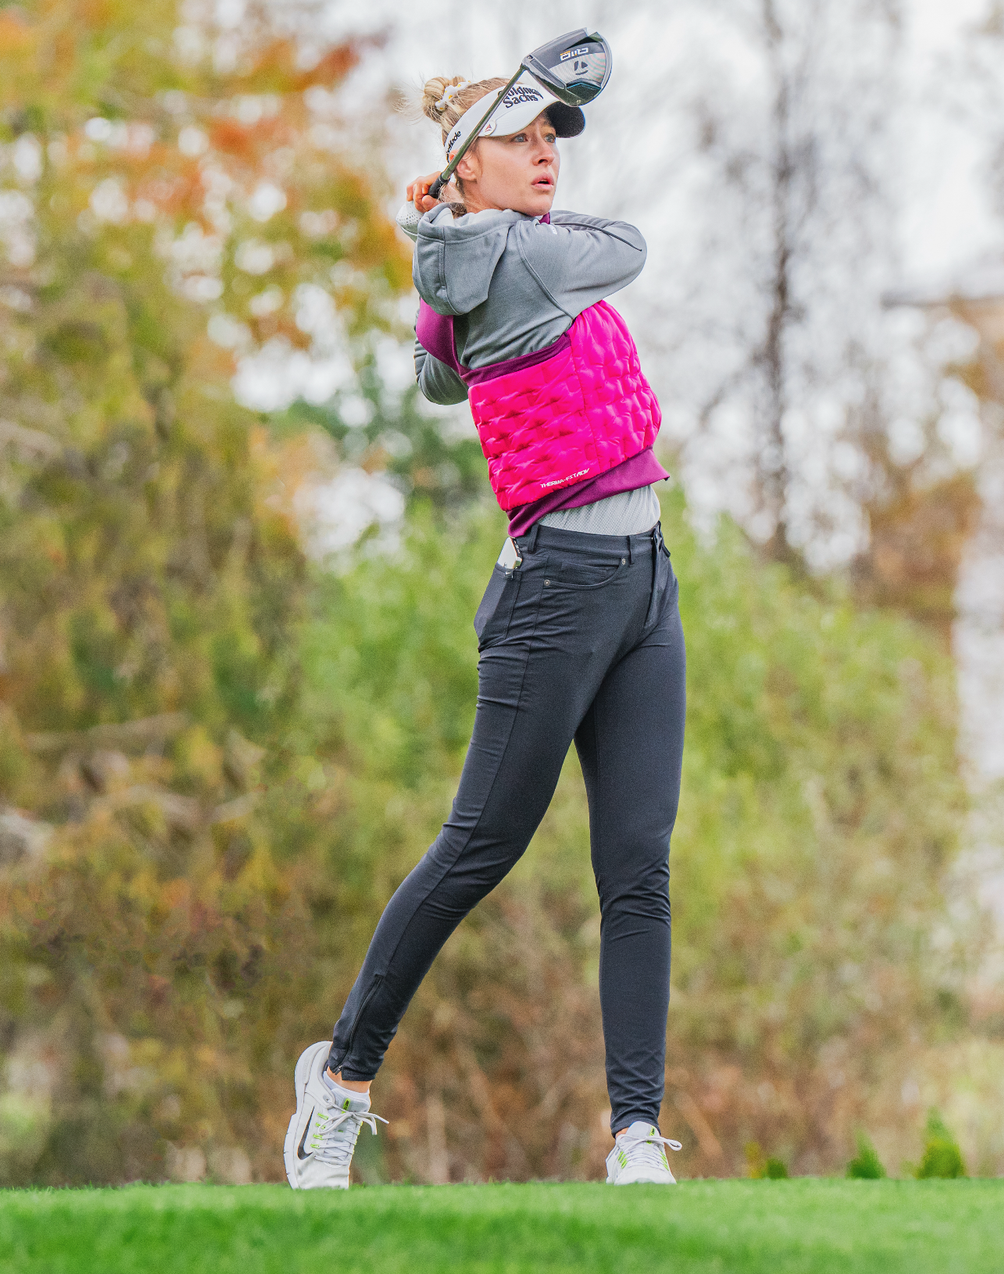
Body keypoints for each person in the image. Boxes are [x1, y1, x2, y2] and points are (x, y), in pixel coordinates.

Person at [282, 69, 686, 1189]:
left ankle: (636, 1135)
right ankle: (343, 1075)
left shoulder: (485, 254)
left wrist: (441, 238)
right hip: (555, 590)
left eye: (553, 135)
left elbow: (432, 374)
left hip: (645, 581)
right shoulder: (526, 253)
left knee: (638, 867)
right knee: (479, 847)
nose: (550, 152)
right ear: (468, 164)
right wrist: (453, 233)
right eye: (520, 137)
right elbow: (636, 244)